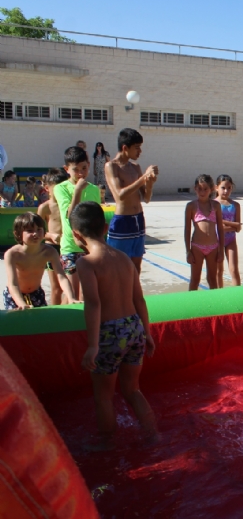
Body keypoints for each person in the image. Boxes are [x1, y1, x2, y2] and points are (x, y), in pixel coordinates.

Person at [70, 201, 157, 450]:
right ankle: (153, 436)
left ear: (76, 234)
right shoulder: (124, 259)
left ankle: (107, 444)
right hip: (134, 328)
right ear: (106, 227)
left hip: (110, 333)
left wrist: (92, 346)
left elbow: (94, 304)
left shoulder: (87, 263)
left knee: (104, 396)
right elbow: (139, 299)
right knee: (133, 390)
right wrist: (147, 333)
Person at [105, 128, 158, 274]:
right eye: (137, 148)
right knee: (119, 266)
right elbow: (119, 195)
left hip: (138, 220)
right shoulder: (112, 166)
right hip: (123, 221)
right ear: (125, 148)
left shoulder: (135, 167)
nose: (139, 151)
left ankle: (133, 295)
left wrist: (150, 182)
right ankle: (118, 296)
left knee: (136, 267)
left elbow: (146, 198)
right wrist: (143, 179)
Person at [53, 146, 101, 300]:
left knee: (87, 293)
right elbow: (70, 215)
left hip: (89, 247)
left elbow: (96, 217)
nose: (81, 173)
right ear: (67, 169)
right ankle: (68, 322)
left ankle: (85, 323)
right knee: (71, 294)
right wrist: (77, 190)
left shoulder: (93, 189)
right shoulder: (61, 188)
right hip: (70, 247)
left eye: (84, 168)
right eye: (76, 170)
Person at [3, 212, 77, 310]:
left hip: (36, 293)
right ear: (18, 234)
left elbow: (62, 277)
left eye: (39, 229)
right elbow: (13, 284)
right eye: (29, 230)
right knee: (17, 323)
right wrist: (21, 303)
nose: (35, 234)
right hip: (15, 295)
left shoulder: (49, 252)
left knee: (40, 323)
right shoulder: (13, 254)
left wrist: (71, 298)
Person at [184, 175, 224, 291]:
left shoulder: (216, 205)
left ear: (211, 189)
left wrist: (221, 250)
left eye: (205, 189)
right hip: (197, 247)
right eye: (199, 188)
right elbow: (187, 230)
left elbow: (220, 229)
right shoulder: (191, 206)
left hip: (213, 247)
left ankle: (215, 306)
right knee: (195, 279)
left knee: (212, 279)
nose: (202, 192)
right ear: (195, 188)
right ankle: (191, 306)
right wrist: (188, 251)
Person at [37, 168, 69, 305]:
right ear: (47, 188)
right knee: (57, 288)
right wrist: (50, 235)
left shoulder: (68, 204)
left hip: (68, 246)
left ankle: (66, 311)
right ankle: (55, 314)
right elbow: (37, 232)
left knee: (71, 286)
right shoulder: (45, 207)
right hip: (53, 248)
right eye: (57, 188)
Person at [214, 174, 242, 288]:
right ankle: (218, 296)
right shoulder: (213, 204)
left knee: (234, 270)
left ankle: (238, 296)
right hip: (216, 241)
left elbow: (238, 228)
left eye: (229, 188)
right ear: (216, 187)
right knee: (218, 271)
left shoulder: (235, 205)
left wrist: (224, 224)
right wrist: (233, 224)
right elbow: (215, 226)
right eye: (223, 188)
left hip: (231, 241)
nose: (226, 191)